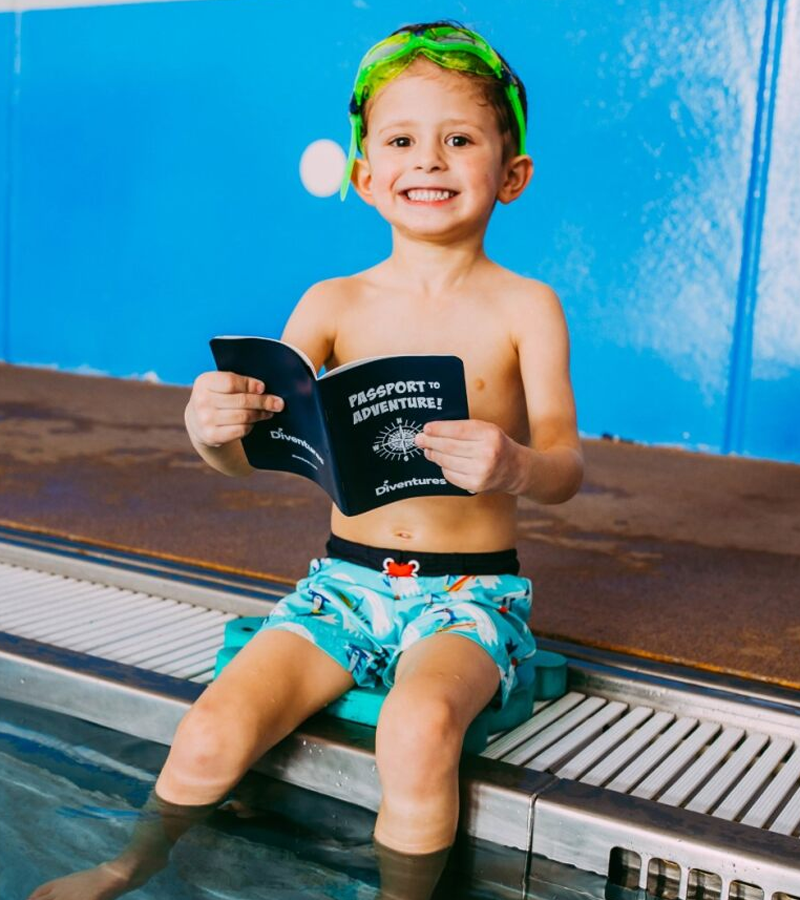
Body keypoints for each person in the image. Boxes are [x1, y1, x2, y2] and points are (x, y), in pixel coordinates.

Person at [28, 20, 582, 900]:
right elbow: (253, 458)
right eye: (401, 141)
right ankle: (129, 863)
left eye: (460, 140)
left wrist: (515, 464)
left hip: (469, 594)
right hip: (343, 585)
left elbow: (564, 465)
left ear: (510, 175)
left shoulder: (526, 309)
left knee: (416, 726)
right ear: (366, 175)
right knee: (214, 724)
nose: (428, 161)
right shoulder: (332, 304)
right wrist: (211, 431)